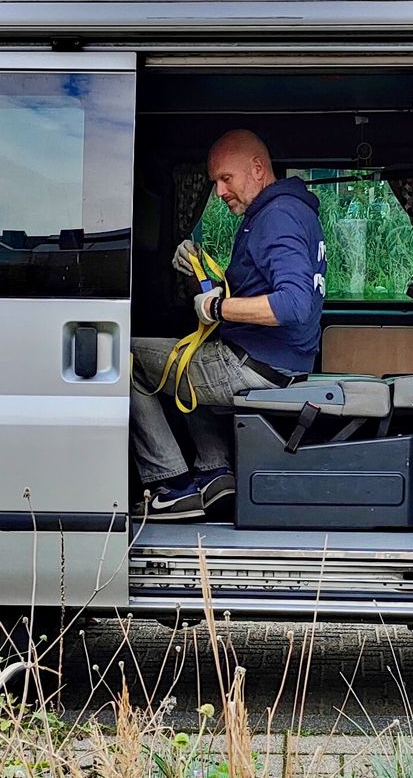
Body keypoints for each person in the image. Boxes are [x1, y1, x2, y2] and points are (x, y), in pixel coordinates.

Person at [132, 129, 325, 520]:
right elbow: (251, 292)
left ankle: (170, 484)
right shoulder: (284, 212)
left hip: (253, 366)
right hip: (278, 363)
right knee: (187, 358)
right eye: (214, 182)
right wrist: (196, 268)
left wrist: (218, 307)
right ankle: (215, 473)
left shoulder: (276, 216)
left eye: (225, 178)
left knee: (124, 356)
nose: (219, 191)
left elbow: (293, 303)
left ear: (257, 169)